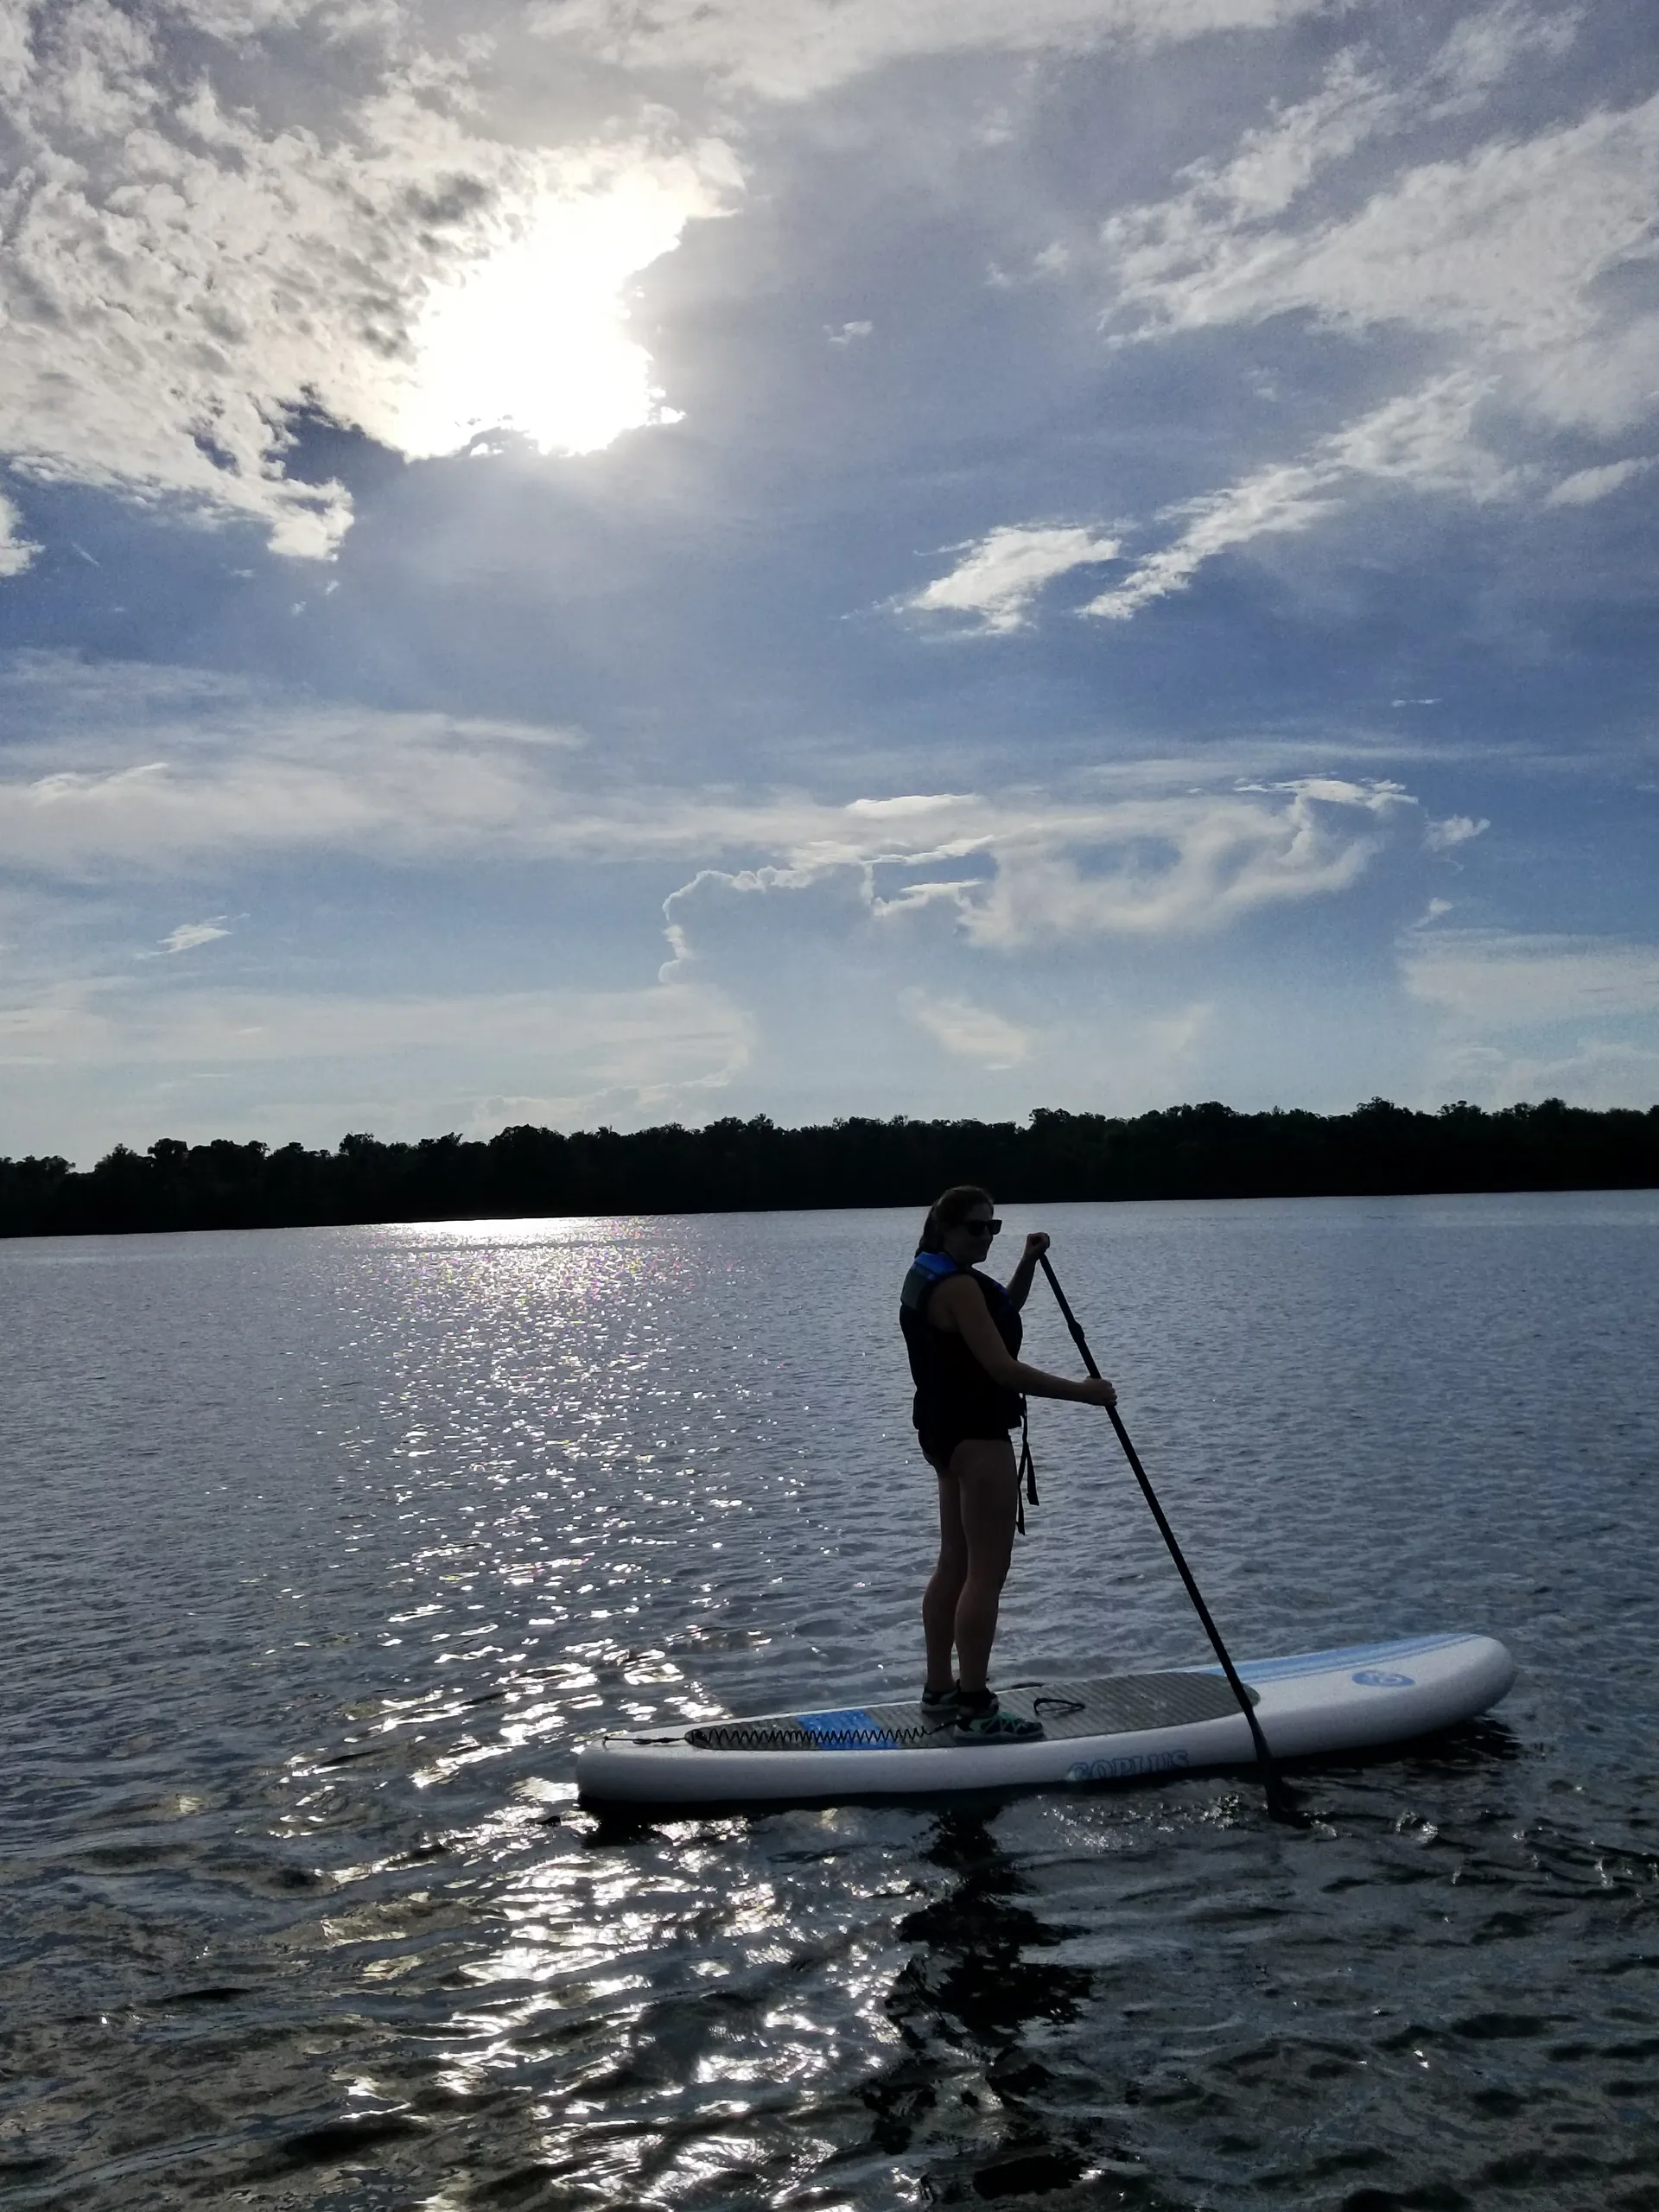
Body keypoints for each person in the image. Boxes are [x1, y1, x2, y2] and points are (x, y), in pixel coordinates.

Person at [900, 1185, 1116, 1744]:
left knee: (954, 1563)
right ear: (945, 1229)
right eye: (977, 1228)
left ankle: (939, 1689)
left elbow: (999, 1315)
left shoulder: (929, 1275)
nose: (986, 1237)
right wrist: (1084, 1392)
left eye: (993, 1228)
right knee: (986, 1575)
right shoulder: (958, 1286)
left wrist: (1026, 1262)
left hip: (941, 1434)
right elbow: (1004, 1369)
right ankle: (977, 1708)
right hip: (977, 1436)